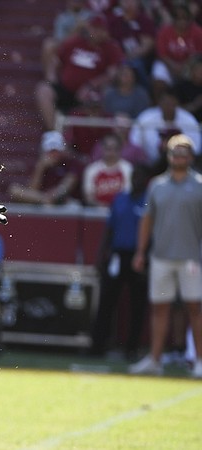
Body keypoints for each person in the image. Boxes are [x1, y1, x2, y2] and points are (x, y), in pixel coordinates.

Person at [129, 134, 202, 378]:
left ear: (191, 157)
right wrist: (141, 251)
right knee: (160, 309)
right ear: (169, 156)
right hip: (161, 257)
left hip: (192, 259)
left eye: (183, 152)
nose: (179, 157)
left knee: (195, 309)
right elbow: (147, 220)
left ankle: (200, 361)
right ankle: (155, 360)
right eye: (175, 152)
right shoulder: (156, 185)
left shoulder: (200, 185)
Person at [90, 163, 150, 359]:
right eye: (134, 176)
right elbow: (109, 229)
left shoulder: (149, 201)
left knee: (137, 305)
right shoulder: (120, 199)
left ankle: (131, 348)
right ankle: (98, 346)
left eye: (140, 176)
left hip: (139, 256)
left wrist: (146, 259)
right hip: (117, 255)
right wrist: (101, 256)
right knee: (106, 301)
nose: (136, 180)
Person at [35, 14, 124, 130]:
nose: (97, 32)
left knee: (94, 99)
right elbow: (56, 59)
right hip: (65, 88)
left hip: (90, 91)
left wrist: (91, 85)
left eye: (100, 29)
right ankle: (54, 131)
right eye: (94, 28)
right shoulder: (75, 42)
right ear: (88, 28)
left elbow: (112, 74)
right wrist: (52, 77)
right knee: (43, 90)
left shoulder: (110, 48)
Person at [8, 130, 84, 205]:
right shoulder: (40, 164)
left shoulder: (71, 163)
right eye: (51, 151)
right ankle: (45, 200)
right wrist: (40, 168)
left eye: (56, 151)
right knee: (14, 190)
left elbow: (67, 185)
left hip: (62, 201)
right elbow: (32, 190)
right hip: (41, 200)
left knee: (72, 204)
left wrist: (55, 194)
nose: (54, 154)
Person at [82, 132, 133, 206]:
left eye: (115, 149)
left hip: (120, 210)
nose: (112, 153)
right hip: (97, 211)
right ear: (102, 148)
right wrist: (100, 206)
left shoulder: (128, 168)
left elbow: (128, 194)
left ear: (120, 149)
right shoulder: (92, 169)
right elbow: (89, 197)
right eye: (108, 149)